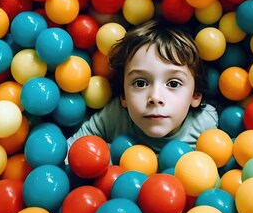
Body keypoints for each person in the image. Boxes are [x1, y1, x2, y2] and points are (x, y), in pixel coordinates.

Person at [66, 19, 218, 153]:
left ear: (196, 95)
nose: (155, 97)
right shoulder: (115, 117)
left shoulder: (205, 124)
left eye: (173, 84)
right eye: (140, 83)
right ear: (124, 95)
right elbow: (72, 150)